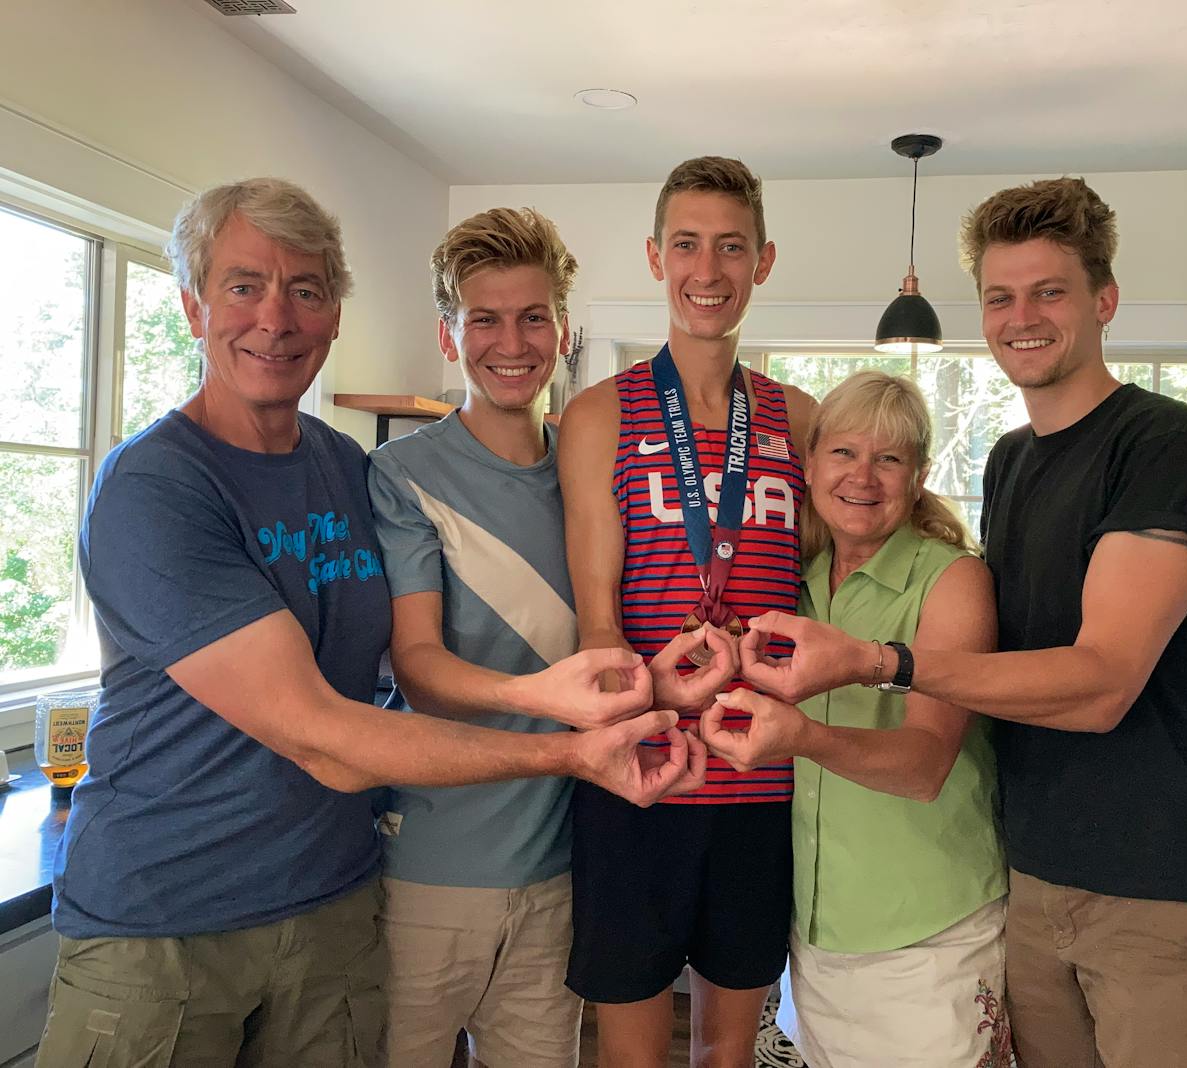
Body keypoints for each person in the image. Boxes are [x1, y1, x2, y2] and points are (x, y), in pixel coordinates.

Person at [37, 178, 702, 1068]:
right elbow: (328, 730)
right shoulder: (157, 488)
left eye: (305, 291)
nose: (275, 319)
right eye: (243, 286)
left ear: (335, 315)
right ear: (193, 307)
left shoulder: (346, 468)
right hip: (165, 921)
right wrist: (566, 744)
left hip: (333, 901)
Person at [729, 176, 1187, 1067]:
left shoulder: (1168, 446)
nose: (1022, 316)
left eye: (1049, 291)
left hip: (1160, 884)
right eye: (1000, 296)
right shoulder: (1016, 460)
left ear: (1104, 300)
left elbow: (1100, 685)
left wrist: (880, 662)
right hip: (1033, 877)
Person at [557, 155, 816, 1068]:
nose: (709, 271)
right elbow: (597, 626)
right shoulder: (599, 416)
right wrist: (649, 722)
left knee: (725, 1054)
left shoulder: (801, 420)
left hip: (763, 779)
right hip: (643, 774)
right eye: (688, 245)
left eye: (732, 247)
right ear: (656, 257)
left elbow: (835, 589)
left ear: (765, 261)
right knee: (633, 1052)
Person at [702, 371, 1010, 1067]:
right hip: (817, 937)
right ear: (808, 465)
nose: (862, 477)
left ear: (920, 474)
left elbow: (926, 765)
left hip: (930, 938)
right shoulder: (797, 585)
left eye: (889, 458)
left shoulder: (953, 581)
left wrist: (802, 738)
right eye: (843, 453)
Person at [365, 206, 596, 1068]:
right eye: (484, 319)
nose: (512, 341)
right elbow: (419, 666)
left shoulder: (593, 468)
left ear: (562, 331)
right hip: (427, 869)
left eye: (533, 316)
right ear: (448, 333)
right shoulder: (401, 474)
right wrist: (542, 697)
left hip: (558, 874)